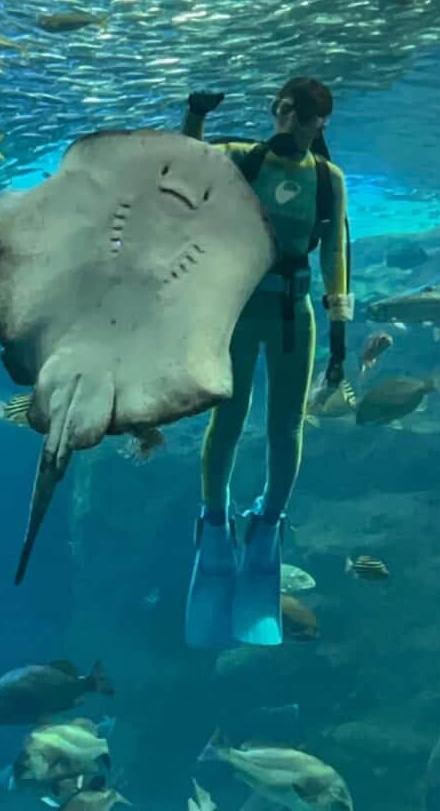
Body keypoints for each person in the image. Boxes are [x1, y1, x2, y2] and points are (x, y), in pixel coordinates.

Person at [181, 77, 353, 649]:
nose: (284, 123)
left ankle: (267, 524)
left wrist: (339, 330)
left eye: (297, 117)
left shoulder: (328, 181)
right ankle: (212, 520)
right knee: (226, 418)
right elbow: (186, 169)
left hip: (292, 312)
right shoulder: (240, 158)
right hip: (237, 306)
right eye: (279, 111)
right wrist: (195, 117)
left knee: (285, 425)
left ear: (318, 123)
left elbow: (335, 251)